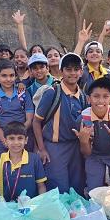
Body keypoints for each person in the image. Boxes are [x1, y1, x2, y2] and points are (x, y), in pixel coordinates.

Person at [33, 52, 88, 195]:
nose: (72, 73)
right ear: (60, 71)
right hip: (55, 148)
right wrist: (42, 149)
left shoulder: (82, 96)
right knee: (58, 189)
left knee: (77, 188)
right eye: (68, 69)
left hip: (75, 147)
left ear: (81, 72)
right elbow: (36, 121)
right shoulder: (52, 93)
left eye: (76, 69)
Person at [75, 77, 110, 193]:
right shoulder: (83, 120)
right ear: (88, 99)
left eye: (105, 96)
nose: (101, 100)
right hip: (94, 156)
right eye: (96, 96)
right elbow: (87, 153)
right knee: (94, 191)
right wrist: (84, 141)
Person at [0, 121, 47, 201]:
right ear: (5, 141)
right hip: (6, 208)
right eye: (11, 138)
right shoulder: (1, 158)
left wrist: (41, 205)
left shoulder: (34, 159)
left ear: (26, 140)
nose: (16, 142)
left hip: (29, 208)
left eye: (20, 138)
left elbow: (41, 186)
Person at [0, 60, 35, 159]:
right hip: (2, 140)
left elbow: (29, 119)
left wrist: (18, 138)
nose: (8, 79)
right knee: (4, 168)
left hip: (23, 138)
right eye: (4, 76)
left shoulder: (23, 93)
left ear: (16, 76)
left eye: (11, 75)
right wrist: (6, 140)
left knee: (25, 169)